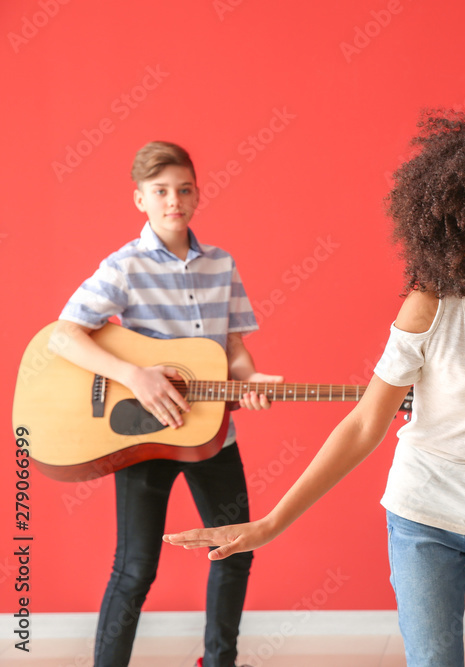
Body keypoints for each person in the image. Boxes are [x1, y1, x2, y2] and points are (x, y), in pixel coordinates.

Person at [164, 113, 465, 666]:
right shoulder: (431, 308)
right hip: (422, 518)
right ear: (463, 235)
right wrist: (271, 523)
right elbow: (364, 423)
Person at [51, 141, 281, 667]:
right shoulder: (124, 267)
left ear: (197, 194)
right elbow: (63, 337)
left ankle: (218, 661)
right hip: (147, 437)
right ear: (140, 199)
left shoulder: (220, 264)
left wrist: (252, 379)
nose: (173, 200)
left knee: (235, 547)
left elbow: (234, 348)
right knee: (135, 568)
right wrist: (135, 375)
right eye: (160, 191)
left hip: (214, 433)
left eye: (183, 189)